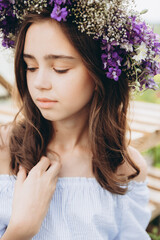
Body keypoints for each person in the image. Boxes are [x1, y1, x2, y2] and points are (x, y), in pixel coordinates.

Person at [0, 0, 159, 239]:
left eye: (60, 68)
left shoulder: (124, 167)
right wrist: (20, 230)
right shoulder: (4, 151)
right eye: (30, 66)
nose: (39, 83)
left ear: (101, 72)